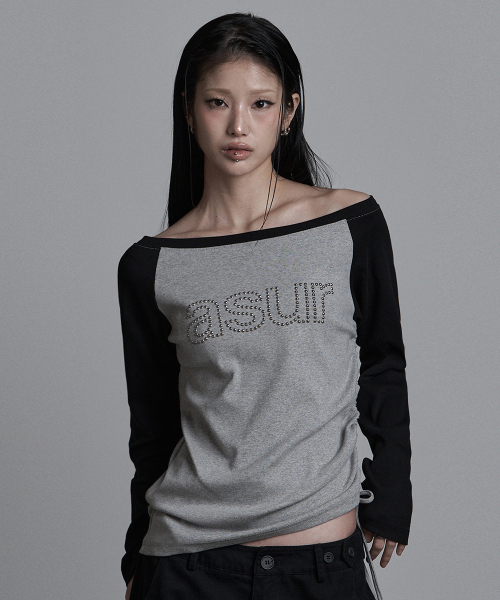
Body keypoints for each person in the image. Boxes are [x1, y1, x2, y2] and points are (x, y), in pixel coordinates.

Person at [117, 12, 412, 600]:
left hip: (320, 564)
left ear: (288, 110)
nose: (238, 126)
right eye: (217, 102)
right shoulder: (151, 264)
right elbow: (153, 429)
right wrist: (133, 563)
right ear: (188, 110)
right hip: (184, 567)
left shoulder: (348, 223)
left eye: (260, 104)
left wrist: (392, 490)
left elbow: (384, 361)